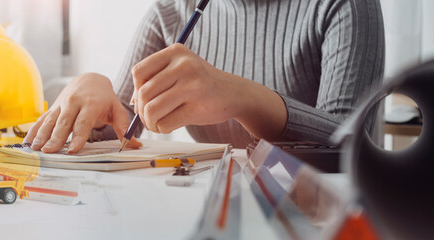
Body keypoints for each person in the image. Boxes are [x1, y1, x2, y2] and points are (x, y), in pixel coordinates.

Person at [24, 0, 384, 153]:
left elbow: (353, 148)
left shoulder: (342, 5)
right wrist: (89, 88)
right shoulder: (171, 10)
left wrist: (244, 98)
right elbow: (121, 124)